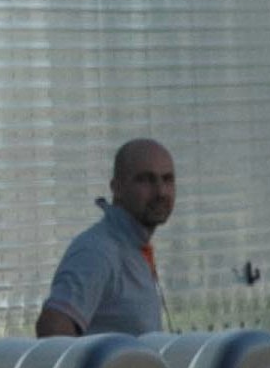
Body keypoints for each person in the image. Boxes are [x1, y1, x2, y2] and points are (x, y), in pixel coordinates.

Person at [37, 138, 176, 339]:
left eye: (167, 179)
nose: (161, 191)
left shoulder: (133, 247)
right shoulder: (97, 252)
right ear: (116, 187)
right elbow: (53, 328)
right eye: (146, 179)